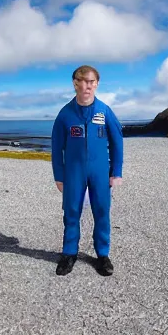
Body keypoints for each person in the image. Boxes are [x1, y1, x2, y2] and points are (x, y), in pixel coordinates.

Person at [50, 65, 123, 276]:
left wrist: (116, 172)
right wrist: (59, 176)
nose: (86, 86)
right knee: (71, 212)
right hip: (73, 173)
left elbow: (117, 142)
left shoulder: (104, 111)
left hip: (100, 171)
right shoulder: (65, 115)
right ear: (75, 83)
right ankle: (69, 253)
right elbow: (56, 148)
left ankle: (102, 255)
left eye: (91, 82)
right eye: (82, 81)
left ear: (97, 84)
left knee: (101, 211)